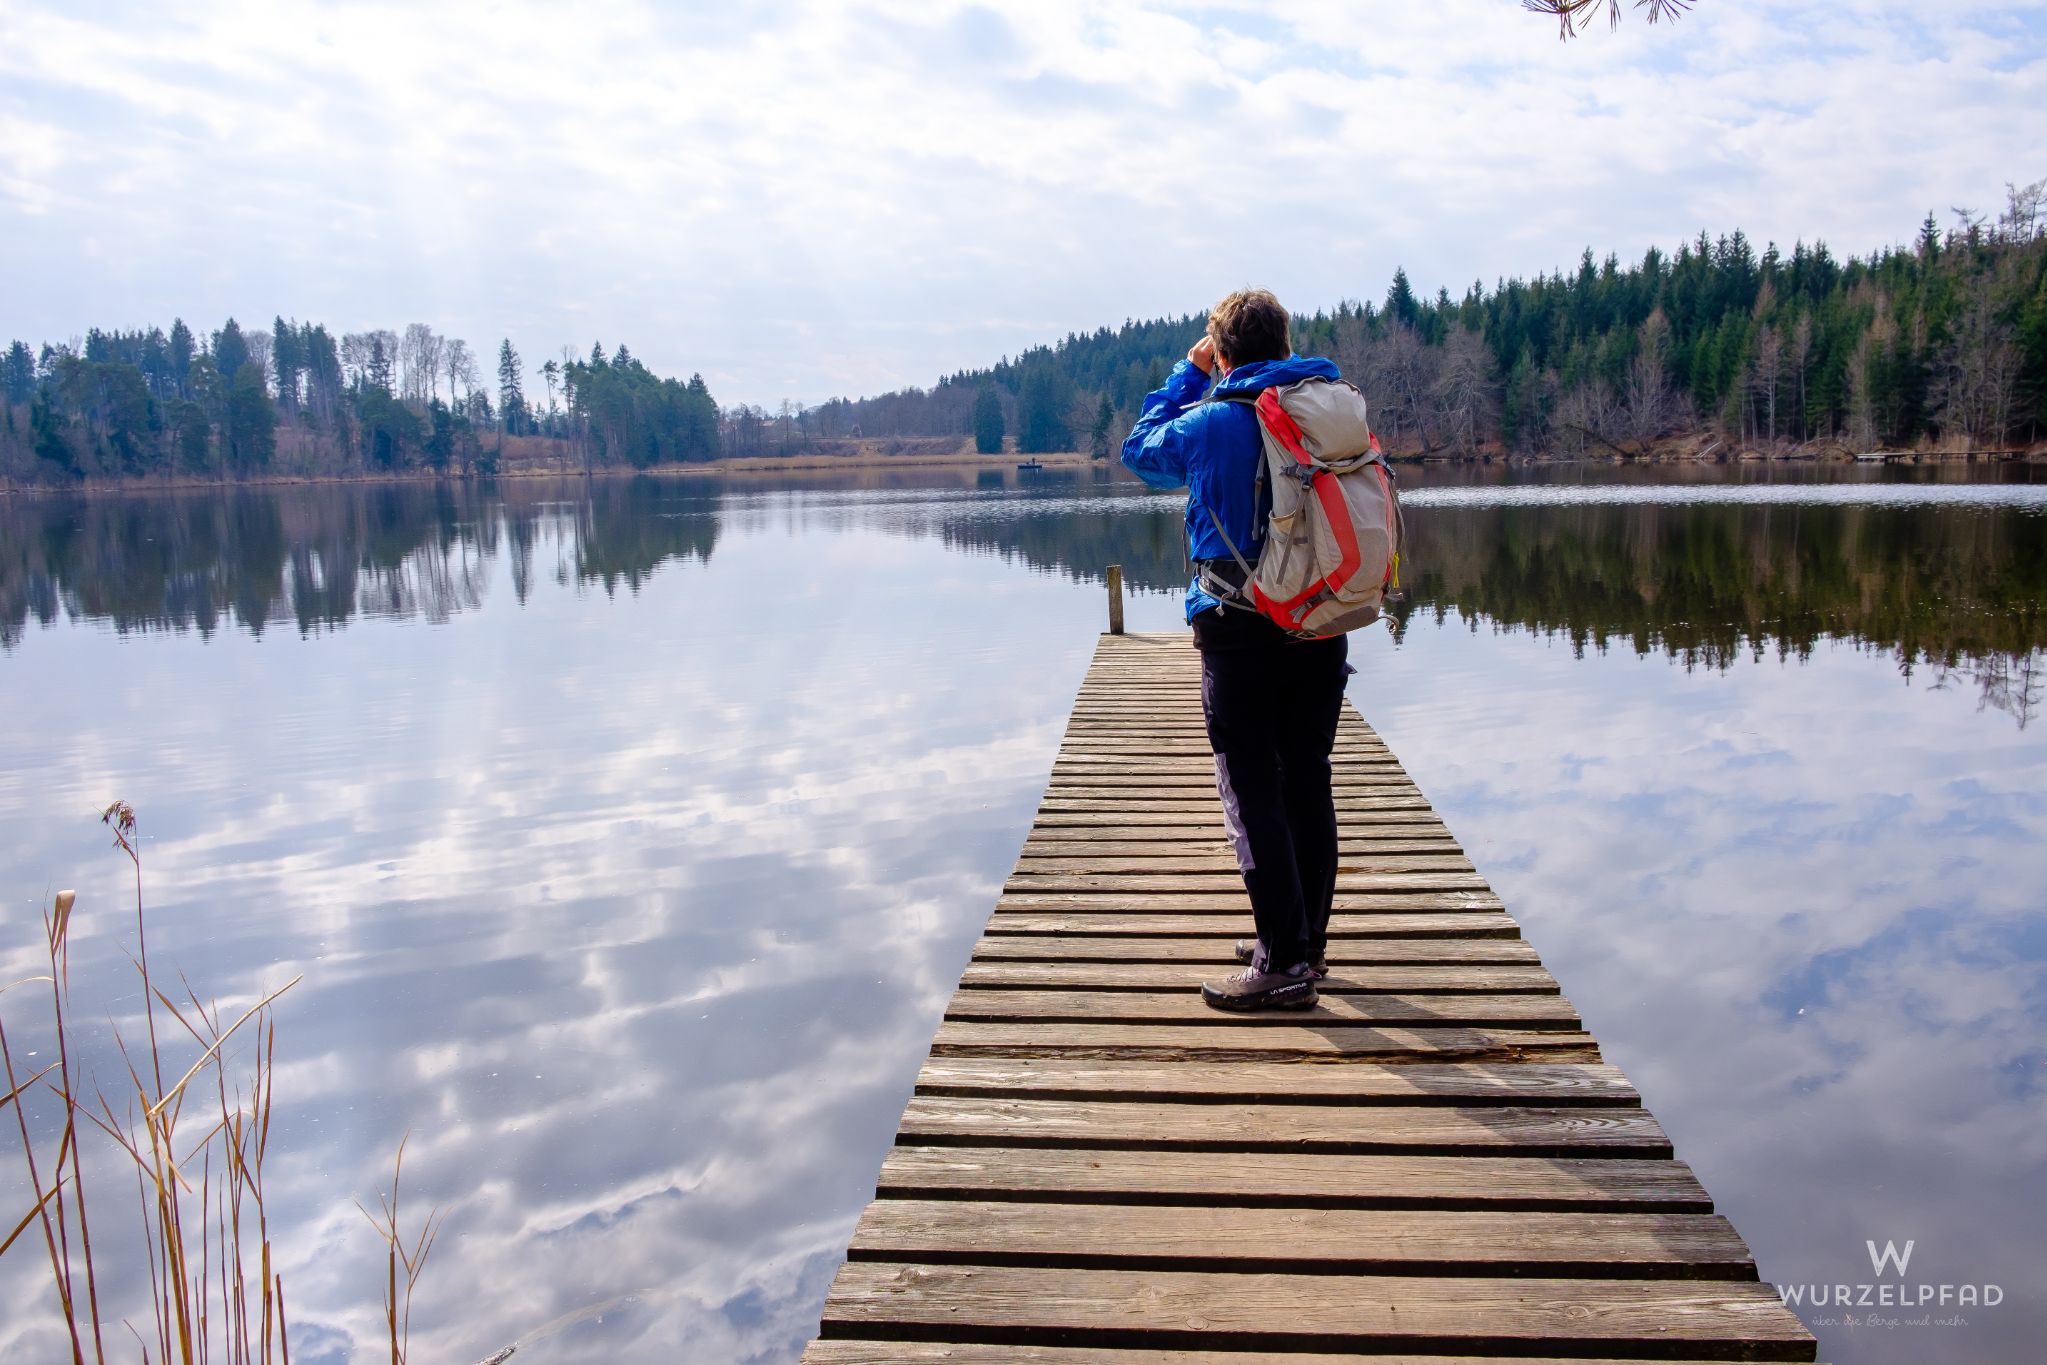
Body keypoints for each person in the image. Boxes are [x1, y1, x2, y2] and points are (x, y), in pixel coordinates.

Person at [1120, 289, 1350, 1012]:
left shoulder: (1213, 419)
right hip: (1320, 617)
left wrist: (1187, 375)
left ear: (1221, 352)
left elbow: (1141, 452)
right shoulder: (1328, 408)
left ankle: (1280, 961)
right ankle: (1301, 940)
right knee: (1305, 777)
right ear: (1284, 347)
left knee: (1251, 789)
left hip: (1237, 621)